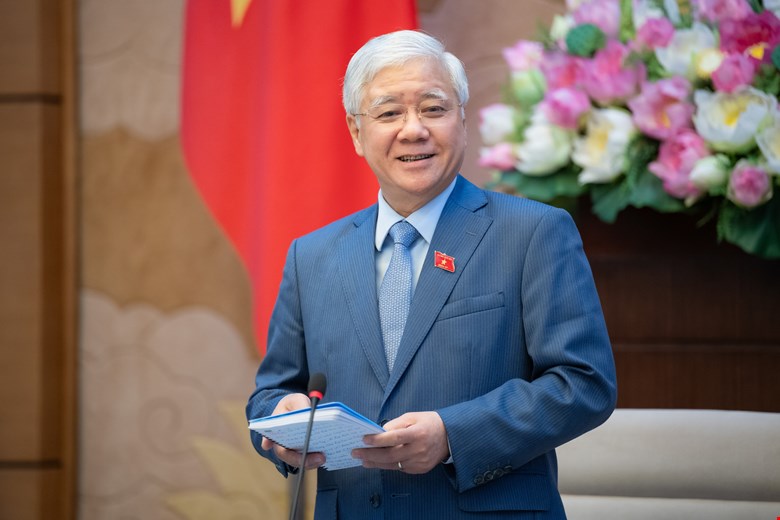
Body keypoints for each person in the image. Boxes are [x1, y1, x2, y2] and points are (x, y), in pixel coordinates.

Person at [246, 30, 617, 519]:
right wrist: (279, 421)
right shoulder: (311, 256)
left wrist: (452, 436)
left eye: (433, 108)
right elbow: (269, 395)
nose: (413, 129)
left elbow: (584, 384)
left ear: (461, 119)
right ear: (356, 132)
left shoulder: (533, 233)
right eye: (388, 113)